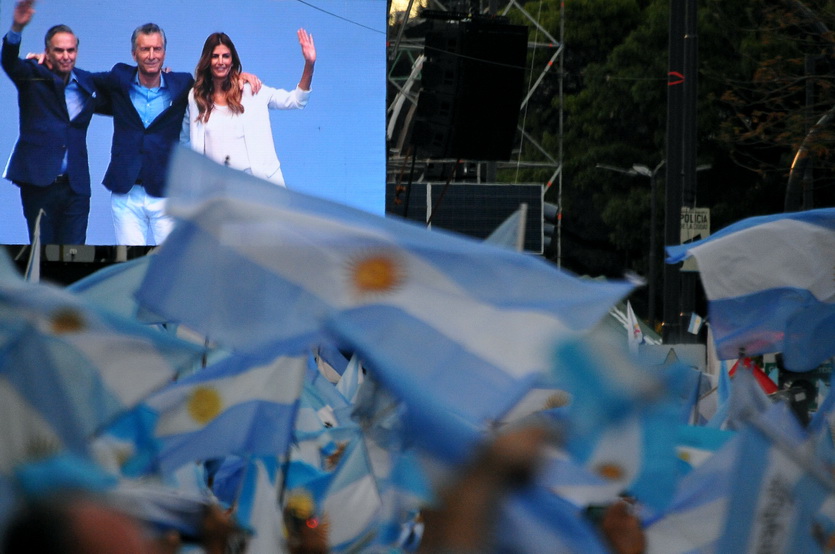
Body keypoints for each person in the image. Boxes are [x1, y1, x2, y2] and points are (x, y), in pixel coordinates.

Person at [1, 0, 109, 245]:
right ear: (47, 52)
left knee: (74, 259)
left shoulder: (87, 83)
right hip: (39, 183)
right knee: (43, 257)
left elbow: (122, 93)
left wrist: (157, 74)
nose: (66, 56)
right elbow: (9, 61)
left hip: (76, 187)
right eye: (59, 50)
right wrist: (16, 28)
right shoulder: (32, 75)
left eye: (71, 50)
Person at [90, 23, 194, 246]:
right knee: (129, 264)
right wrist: (49, 65)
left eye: (157, 49)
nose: (151, 55)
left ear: (164, 53)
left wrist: (242, 76)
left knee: (168, 267)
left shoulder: (182, 84)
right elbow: (82, 79)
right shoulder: (119, 77)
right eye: (145, 49)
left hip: (166, 192)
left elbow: (215, 86)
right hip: (127, 192)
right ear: (134, 53)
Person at [184, 29, 315, 186]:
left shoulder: (251, 89)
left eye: (226, 56)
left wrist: (309, 63)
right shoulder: (196, 98)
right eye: (215, 56)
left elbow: (296, 100)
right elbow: (183, 137)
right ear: (207, 61)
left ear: (232, 61)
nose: (221, 61)